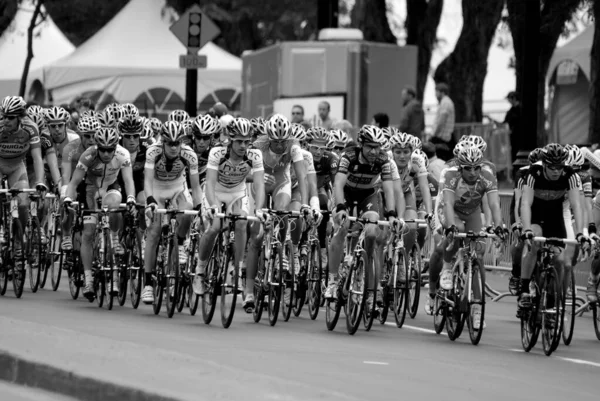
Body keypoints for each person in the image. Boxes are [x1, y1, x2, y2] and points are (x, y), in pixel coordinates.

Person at [431, 83, 455, 160]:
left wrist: (434, 135)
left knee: (441, 160)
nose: (435, 94)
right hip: (444, 138)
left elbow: (441, 121)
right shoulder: (446, 102)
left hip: (442, 138)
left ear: (442, 92)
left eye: (436, 92)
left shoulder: (445, 102)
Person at [504, 91, 522, 164]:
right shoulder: (510, 111)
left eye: (509, 98)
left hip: (520, 138)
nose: (508, 101)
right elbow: (504, 122)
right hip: (513, 138)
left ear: (514, 98)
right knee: (514, 154)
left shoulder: (521, 109)